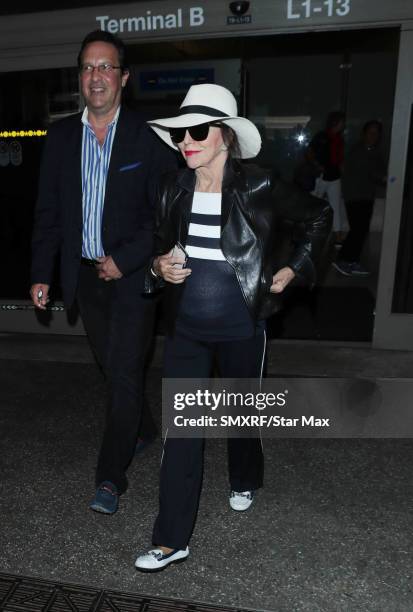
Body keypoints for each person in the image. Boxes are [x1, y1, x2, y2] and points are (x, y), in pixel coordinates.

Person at [134, 84, 332, 571]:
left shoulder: (258, 185)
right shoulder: (171, 187)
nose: (186, 142)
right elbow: (157, 251)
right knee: (183, 432)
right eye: (181, 133)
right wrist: (158, 269)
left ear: (224, 136)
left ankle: (244, 477)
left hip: (244, 323)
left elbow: (318, 216)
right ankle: (171, 538)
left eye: (197, 131)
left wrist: (294, 269)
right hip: (186, 329)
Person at [30, 30, 175, 515]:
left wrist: (128, 258)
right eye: (89, 67)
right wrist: (41, 273)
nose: (97, 76)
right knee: (115, 370)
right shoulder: (60, 136)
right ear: (80, 78)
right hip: (85, 279)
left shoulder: (148, 138)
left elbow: (163, 216)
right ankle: (146, 428)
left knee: (125, 376)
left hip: (133, 278)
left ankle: (110, 478)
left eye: (106, 67)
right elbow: (49, 212)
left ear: (124, 78)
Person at [333, 120, 386, 276]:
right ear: (364, 134)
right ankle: (343, 260)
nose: (374, 136)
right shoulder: (361, 152)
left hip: (364, 195)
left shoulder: (372, 151)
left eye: (377, 133)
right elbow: (374, 173)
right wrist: (389, 178)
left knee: (360, 230)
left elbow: (377, 171)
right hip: (356, 197)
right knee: (358, 230)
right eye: (371, 132)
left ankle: (351, 261)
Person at [310, 111, 346, 241]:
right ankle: (311, 228)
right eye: (341, 122)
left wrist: (341, 167)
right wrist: (316, 165)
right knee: (315, 202)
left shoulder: (339, 139)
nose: (343, 125)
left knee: (335, 205)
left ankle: (337, 233)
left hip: (334, 175)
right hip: (321, 175)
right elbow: (310, 152)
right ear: (335, 122)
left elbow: (339, 157)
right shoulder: (322, 136)